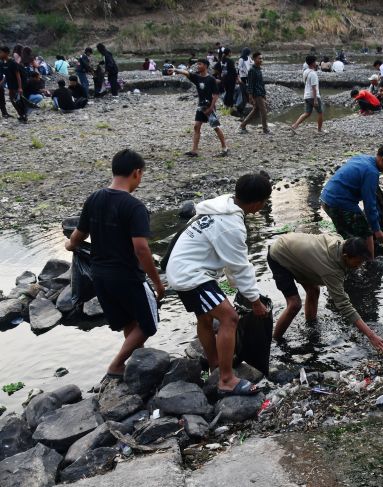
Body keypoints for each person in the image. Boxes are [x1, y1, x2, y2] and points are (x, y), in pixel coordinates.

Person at [166, 173, 272, 397]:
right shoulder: (230, 224)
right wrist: (255, 301)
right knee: (229, 318)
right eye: (263, 203)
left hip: (180, 267)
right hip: (191, 275)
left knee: (205, 318)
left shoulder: (221, 205)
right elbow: (240, 266)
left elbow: (229, 261)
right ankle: (226, 379)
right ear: (257, 203)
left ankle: (215, 364)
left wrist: (238, 288)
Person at [65, 149, 164, 384]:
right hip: (127, 276)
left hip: (100, 276)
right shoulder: (134, 207)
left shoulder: (95, 198)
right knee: (149, 324)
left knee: (130, 321)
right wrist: (158, 283)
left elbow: (78, 235)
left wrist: (70, 245)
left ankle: (133, 365)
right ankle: (117, 364)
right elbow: (141, 248)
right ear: (136, 173)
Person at [267, 233, 383, 353]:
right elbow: (344, 305)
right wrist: (371, 335)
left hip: (295, 249)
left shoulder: (341, 243)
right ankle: (275, 342)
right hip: (279, 255)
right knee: (294, 304)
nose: (359, 266)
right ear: (345, 256)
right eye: (357, 262)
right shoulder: (331, 269)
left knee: (314, 291)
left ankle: (311, 325)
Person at [320, 145, 383, 258]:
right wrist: (377, 230)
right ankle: (370, 263)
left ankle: (344, 261)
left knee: (346, 234)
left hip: (326, 198)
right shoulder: (372, 172)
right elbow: (369, 204)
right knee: (367, 233)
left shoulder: (361, 158)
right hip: (339, 202)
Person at [174, 59, 228, 158]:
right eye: (197, 64)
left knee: (215, 127)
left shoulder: (211, 79)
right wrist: (176, 70)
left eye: (200, 64)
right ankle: (194, 150)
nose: (198, 66)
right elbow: (187, 73)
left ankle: (225, 147)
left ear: (206, 66)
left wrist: (211, 108)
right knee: (196, 126)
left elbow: (216, 95)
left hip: (209, 106)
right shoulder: (197, 78)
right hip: (201, 106)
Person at [291, 55, 325, 133]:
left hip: (306, 96)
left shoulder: (306, 71)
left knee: (307, 113)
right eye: (316, 61)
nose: (317, 63)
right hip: (313, 96)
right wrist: (316, 99)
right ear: (313, 63)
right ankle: (320, 130)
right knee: (320, 113)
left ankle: (295, 125)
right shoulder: (313, 74)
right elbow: (314, 87)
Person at [239, 52, 269, 134]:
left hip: (261, 93)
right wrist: (250, 95)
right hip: (256, 94)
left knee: (255, 110)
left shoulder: (259, 69)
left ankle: (243, 125)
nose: (261, 60)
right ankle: (265, 129)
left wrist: (264, 94)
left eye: (262, 58)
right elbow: (250, 84)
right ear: (254, 59)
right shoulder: (252, 70)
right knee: (264, 111)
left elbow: (261, 83)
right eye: (259, 58)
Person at [0, 46, 28, 123]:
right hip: (10, 85)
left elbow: (18, 75)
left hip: (16, 85)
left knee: (18, 101)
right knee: (13, 101)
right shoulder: (3, 63)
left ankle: (24, 116)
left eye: (1, 52)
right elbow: (6, 76)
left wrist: (20, 87)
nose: (0, 54)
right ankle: (21, 115)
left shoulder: (12, 63)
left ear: (6, 53)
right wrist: (1, 83)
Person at [236, 48, 253, 112]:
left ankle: (248, 99)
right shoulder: (241, 59)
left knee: (248, 86)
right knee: (243, 87)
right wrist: (244, 71)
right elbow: (239, 67)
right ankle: (244, 100)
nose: (249, 54)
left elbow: (252, 62)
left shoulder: (248, 57)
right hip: (243, 75)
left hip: (248, 74)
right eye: (249, 53)